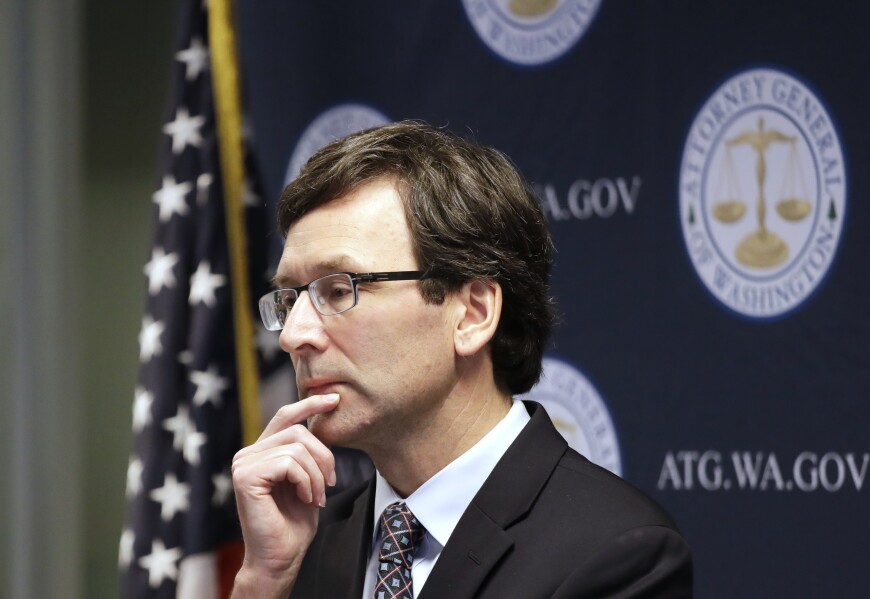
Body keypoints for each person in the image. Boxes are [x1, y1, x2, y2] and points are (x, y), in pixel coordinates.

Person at [231, 121, 693, 598]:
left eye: (338, 289)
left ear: (472, 313)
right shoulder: (302, 544)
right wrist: (263, 582)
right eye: (290, 299)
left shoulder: (616, 554)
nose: (293, 335)